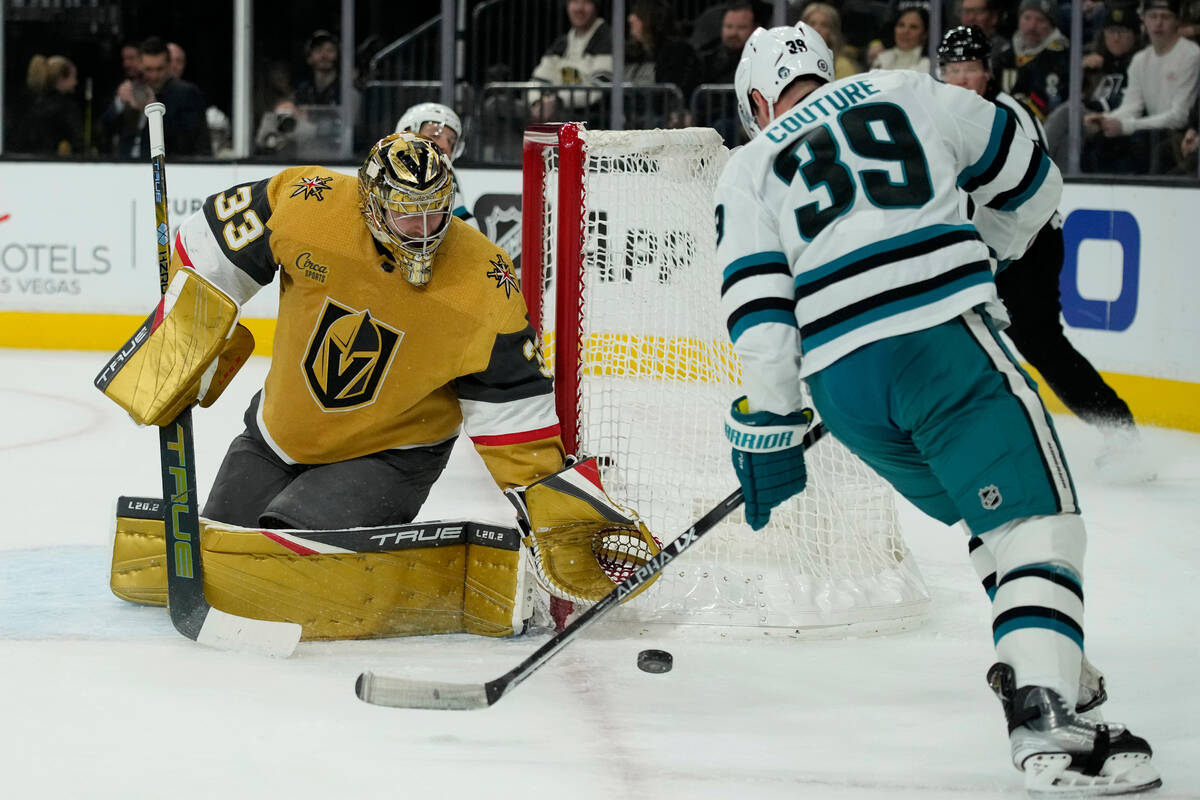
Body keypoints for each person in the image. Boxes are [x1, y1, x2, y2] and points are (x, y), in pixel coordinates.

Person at [716, 21, 1160, 796]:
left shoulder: (749, 164)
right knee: (1038, 521)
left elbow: (758, 309)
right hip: (939, 347)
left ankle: (1046, 658)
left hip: (848, 396)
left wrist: (774, 424)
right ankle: (1045, 716)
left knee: (990, 522)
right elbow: (1032, 177)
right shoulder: (909, 89)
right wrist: (987, 249)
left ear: (759, 100)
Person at [142, 132, 564, 530]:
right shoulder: (310, 204)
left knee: (290, 544)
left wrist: (554, 514)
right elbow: (209, 244)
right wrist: (184, 339)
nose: (424, 229)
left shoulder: (484, 281)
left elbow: (516, 410)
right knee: (219, 540)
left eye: (434, 211)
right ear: (373, 205)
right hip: (278, 438)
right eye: (406, 213)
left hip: (389, 455)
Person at [939, 26, 1146, 471]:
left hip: (1030, 244)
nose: (960, 80)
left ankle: (1119, 429)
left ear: (988, 73)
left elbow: (1033, 191)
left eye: (969, 70)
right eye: (952, 70)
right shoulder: (945, 115)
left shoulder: (1009, 113)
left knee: (1041, 344)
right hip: (988, 246)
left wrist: (997, 250)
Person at [1085, 0, 1200, 174]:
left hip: (1177, 135)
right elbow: (1132, 106)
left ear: (1177, 21)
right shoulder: (1140, 59)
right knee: (1100, 139)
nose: (1158, 23)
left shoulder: (1191, 55)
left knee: (1149, 143)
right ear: (1144, 20)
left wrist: (1127, 126)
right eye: (1153, 16)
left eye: (1165, 17)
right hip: (1150, 130)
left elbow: (1179, 117)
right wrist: (1105, 119)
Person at [1044, 3, 1140, 168]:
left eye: (1122, 32)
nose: (1115, 38)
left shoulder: (1138, 63)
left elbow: (1127, 99)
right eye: (1111, 32)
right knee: (1068, 139)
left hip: (1116, 118)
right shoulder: (1094, 62)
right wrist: (1082, 72)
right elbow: (1069, 94)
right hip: (1089, 119)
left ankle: (1033, 161)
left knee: (1069, 112)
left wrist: (1109, 65)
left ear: (1134, 36)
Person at [110, 36, 210, 158]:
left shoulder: (185, 93)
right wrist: (119, 103)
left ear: (169, 65)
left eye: (159, 69)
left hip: (167, 166)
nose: (154, 75)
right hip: (123, 166)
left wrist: (154, 111)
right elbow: (102, 131)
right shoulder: (131, 89)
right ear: (140, 65)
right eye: (149, 69)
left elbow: (187, 142)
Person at [528, 0, 614, 123]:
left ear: (596, 6)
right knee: (495, 106)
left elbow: (598, 89)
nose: (579, 8)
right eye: (574, 1)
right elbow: (537, 80)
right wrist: (537, 102)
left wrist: (558, 101)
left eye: (586, 2)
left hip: (589, 117)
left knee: (558, 120)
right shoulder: (562, 43)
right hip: (551, 109)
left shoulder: (607, 39)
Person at [394, 102, 475, 226]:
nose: (445, 146)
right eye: (435, 135)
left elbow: (471, 234)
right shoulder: (378, 173)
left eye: (451, 141)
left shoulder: (447, 181)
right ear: (407, 134)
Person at [624, 0, 701, 127]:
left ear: (650, 20)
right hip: (636, 117)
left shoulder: (676, 50)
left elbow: (671, 94)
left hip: (660, 120)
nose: (630, 19)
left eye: (637, 15)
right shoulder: (634, 52)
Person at [995, 0, 1071, 118]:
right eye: (1027, 18)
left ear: (1052, 26)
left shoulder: (1060, 58)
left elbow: (1052, 104)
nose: (1032, 26)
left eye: (1041, 20)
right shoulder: (1005, 56)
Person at [11, 54, 84, 156]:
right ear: (61, 78)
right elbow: (79, 144)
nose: (76, 82)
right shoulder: (67, 108)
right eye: (74, 77)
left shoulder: (32, 106)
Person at [799, 2, 864, 78]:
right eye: (812, 24)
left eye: (824, 25)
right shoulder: (794, 62)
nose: (817, 29)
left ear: (832, 32)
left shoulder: (842, 66)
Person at [871, 3, 931, 72]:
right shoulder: (881, 59)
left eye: (913, 27)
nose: (905, 31)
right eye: (901, 25)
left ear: (925, 34)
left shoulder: (930, 65)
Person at [957, 0, 1013, 66]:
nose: (971, 18)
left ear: (994, 17)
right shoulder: (950, 47)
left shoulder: (1005, 51)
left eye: (978, 11)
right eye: (966, 11)